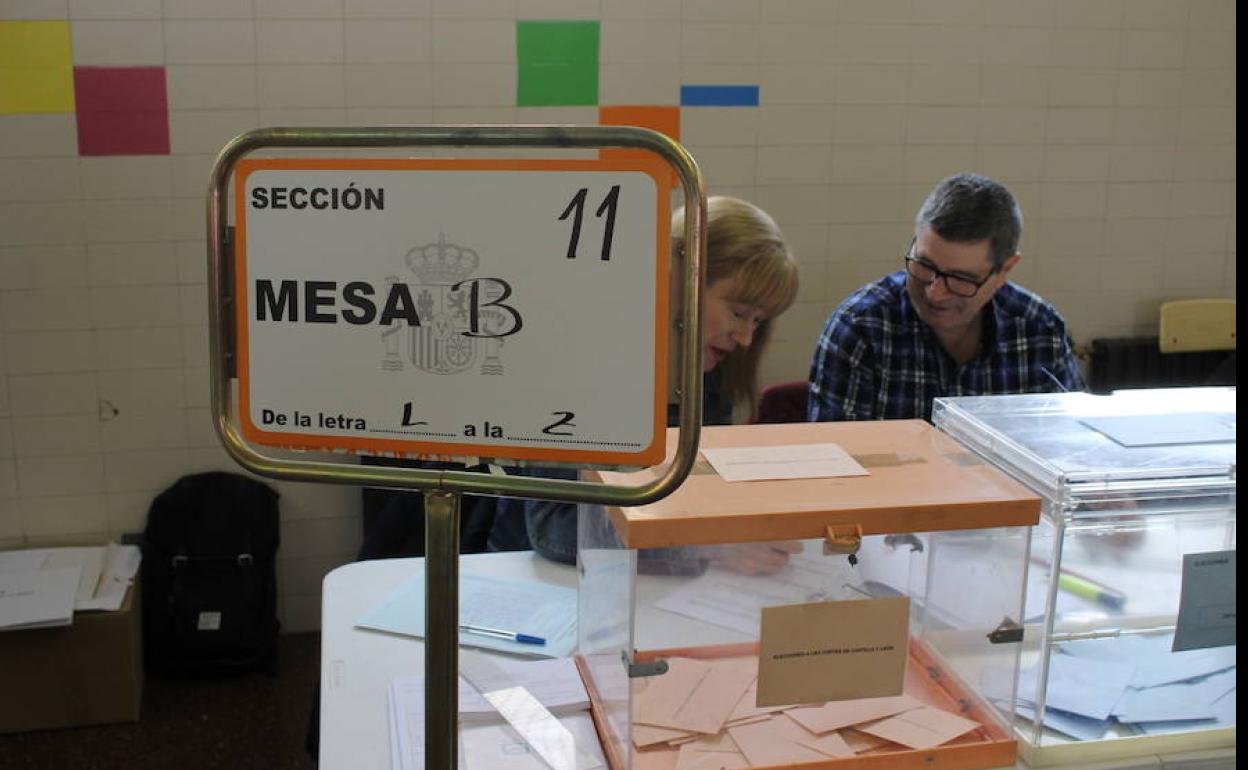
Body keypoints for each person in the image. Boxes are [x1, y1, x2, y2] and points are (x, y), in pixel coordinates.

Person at [488, 195, 802, 575]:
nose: (747, 338)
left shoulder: (710, 373)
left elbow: (696, 498)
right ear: (676, 282)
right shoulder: (580, 365)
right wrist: (708, 547)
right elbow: (555, 528)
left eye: (758, 321)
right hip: (536, 578)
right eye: (739, 313)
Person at [808, 172, 1084, 423]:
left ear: (1004, 271)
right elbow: (837, 465)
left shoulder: (1040, 331)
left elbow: (1071, 449)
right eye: (924, 266)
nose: (935, 292)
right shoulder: (861, 328)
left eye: (960, 279)